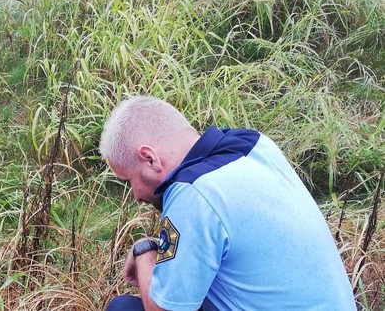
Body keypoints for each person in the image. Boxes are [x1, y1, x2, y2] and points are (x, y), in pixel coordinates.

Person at [99, 95, 356, 311]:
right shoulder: (254, 145)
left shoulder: (193, 192)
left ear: (150, 158)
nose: (134, 194)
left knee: (124, 308)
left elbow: (162, 309)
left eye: (128, 179)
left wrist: (144, 250)